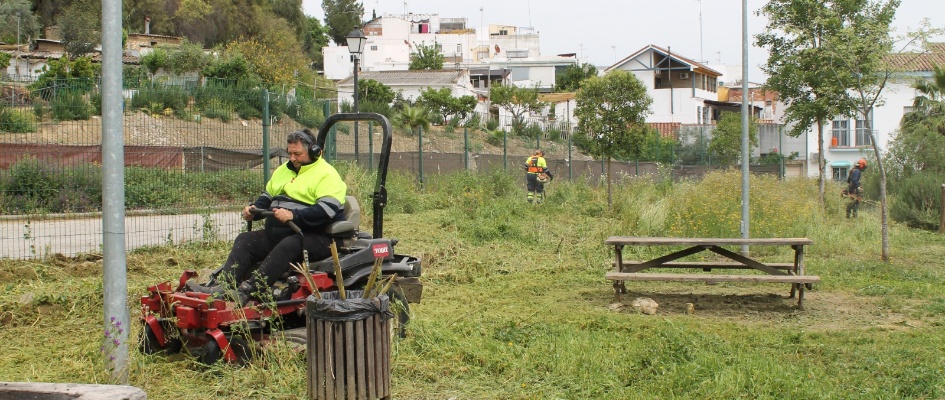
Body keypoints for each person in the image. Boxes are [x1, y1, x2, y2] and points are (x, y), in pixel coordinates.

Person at [187, 129, 347, 305]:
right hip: (286, 233)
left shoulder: (327, 174)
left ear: (314, 151)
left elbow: (325, 210)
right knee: (245, 240)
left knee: (289, 244)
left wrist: (293, 215)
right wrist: (254, 209)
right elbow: (268, 196)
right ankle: (224, 287)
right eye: (290, 153)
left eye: (297, 154)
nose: (292, 158)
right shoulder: (283, 171)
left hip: (320, 237)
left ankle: (248, 291)